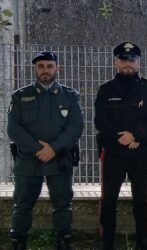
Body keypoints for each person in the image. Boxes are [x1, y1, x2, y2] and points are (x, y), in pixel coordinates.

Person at [7, 51, 83, 250]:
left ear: (57, 68)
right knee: (22, 204)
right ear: (35, 69)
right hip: (28, 160)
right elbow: (13, 129)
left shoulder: (70, 96)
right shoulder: (20, 96)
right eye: (41, 66)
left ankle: (63, 241)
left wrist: (54, 148)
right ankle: (19, 241)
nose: (45, 71)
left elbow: (76, 127)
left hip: (59, 160)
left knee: (63, 203)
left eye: (49, 66)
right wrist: (38, 149)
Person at [94, 42, 147, 250]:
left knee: (141, 200)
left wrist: (135, 136)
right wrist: (121, 138)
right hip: (114, 152)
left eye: (132, 60)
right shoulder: (106, 89)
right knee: (108, 200)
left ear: (138, 62)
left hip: (140, 151)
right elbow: (101, 121)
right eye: (123, 60)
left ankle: (144, 239)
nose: (128, 64)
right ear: (116, 62)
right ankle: (107, 241)